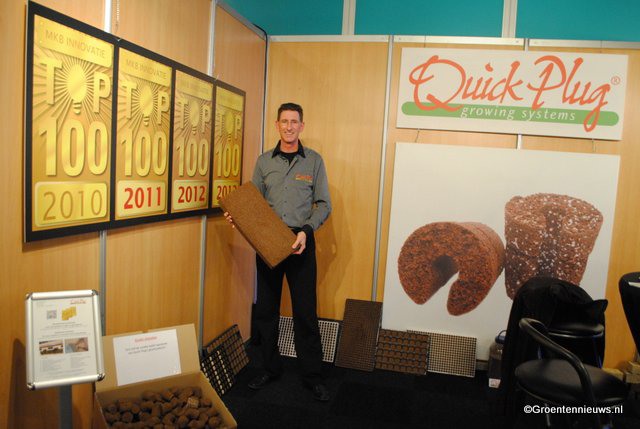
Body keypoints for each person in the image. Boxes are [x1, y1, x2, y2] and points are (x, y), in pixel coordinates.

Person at [224, 102, 332, 401]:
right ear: (277, 125)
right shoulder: (263, 162)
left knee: (305, 312)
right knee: (266, 312)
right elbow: (252, 204)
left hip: (300, 243)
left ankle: (312, 376)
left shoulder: (314, 161)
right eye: (284, 121)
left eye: (294, 122)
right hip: (268, 243)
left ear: (302, 126)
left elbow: (324, 204)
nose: (289, 126)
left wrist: (306, 231)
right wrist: (237, 216)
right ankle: (270, 369)